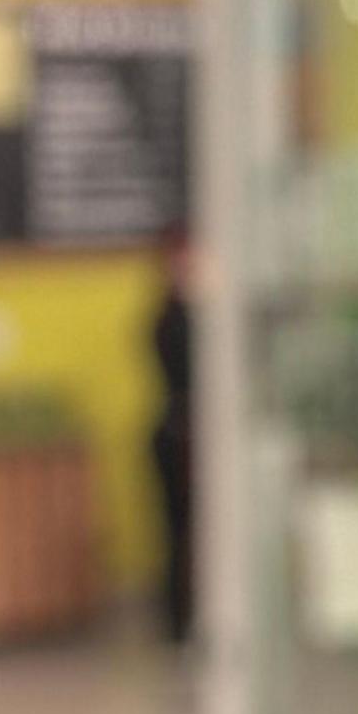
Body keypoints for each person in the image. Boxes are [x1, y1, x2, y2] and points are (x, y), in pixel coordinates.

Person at [146, 228, 197, 644]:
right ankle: (179, 625)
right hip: (178, 437)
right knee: (180, 532)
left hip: (185, 435)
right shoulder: (169, 320)